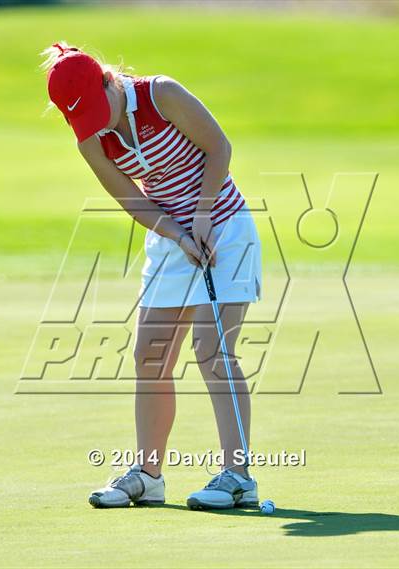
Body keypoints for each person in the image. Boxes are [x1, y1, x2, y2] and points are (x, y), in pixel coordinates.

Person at [42, 42, 262, 510]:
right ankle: (149, 474)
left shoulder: (161, 94)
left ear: (108, 81)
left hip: (224, 225)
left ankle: (238, 476)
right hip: (171, 238)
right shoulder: (91, 138)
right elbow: (134, 200)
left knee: (212, 349)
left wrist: (201, 218)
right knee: (150, 355)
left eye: (99, 109)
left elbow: (220, 146)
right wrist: (180, 236)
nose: (96, 123)